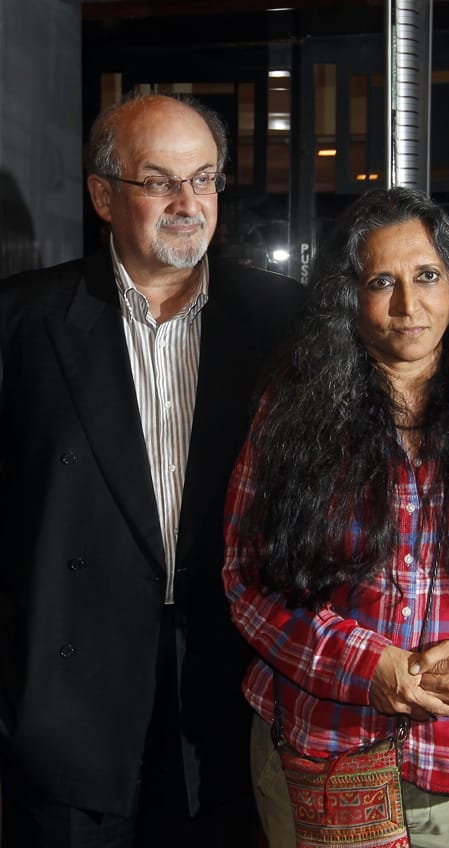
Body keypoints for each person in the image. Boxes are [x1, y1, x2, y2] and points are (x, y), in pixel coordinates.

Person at [222, 186, 449, 848]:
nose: (408, 305)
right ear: (348, 297)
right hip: (320, 758)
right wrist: (362, 663)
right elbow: (246, 579)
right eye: (382, 281)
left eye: (426, 277)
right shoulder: (290, 418)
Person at [0, 91, 304, 847]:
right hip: (68, 718)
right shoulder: (21, 323)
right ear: (104, 195)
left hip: (228, 700)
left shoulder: (285, 324)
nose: (187, 203)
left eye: (203, 179)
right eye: (159, 180)